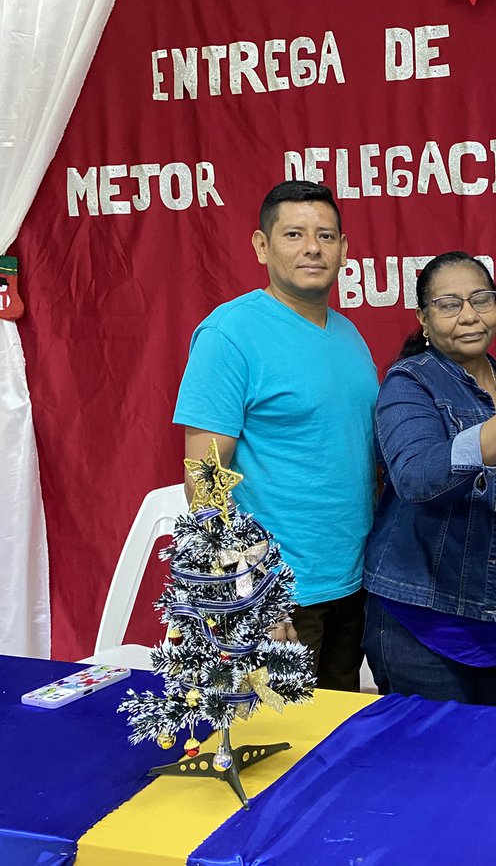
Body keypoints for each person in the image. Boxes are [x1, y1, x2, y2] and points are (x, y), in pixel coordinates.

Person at [174, 180, 377, 691]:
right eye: (293, 234)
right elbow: (204, 476)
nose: (313, 247)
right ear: (262, 246)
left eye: (326, 236)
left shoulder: (348, 334)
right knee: (278, 751)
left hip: (351, 582)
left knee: (336, 741)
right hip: (278, 592)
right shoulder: (229, 335)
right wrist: (251, 592)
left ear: (344, 249)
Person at [362, 252, 496, 705]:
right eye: (449, 304)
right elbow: (416, 477)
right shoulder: (409, 382)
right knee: (430, 766)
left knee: (486, 765)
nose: (469, 315)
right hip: (422, 615)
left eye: (481, 299)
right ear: (424, 319)